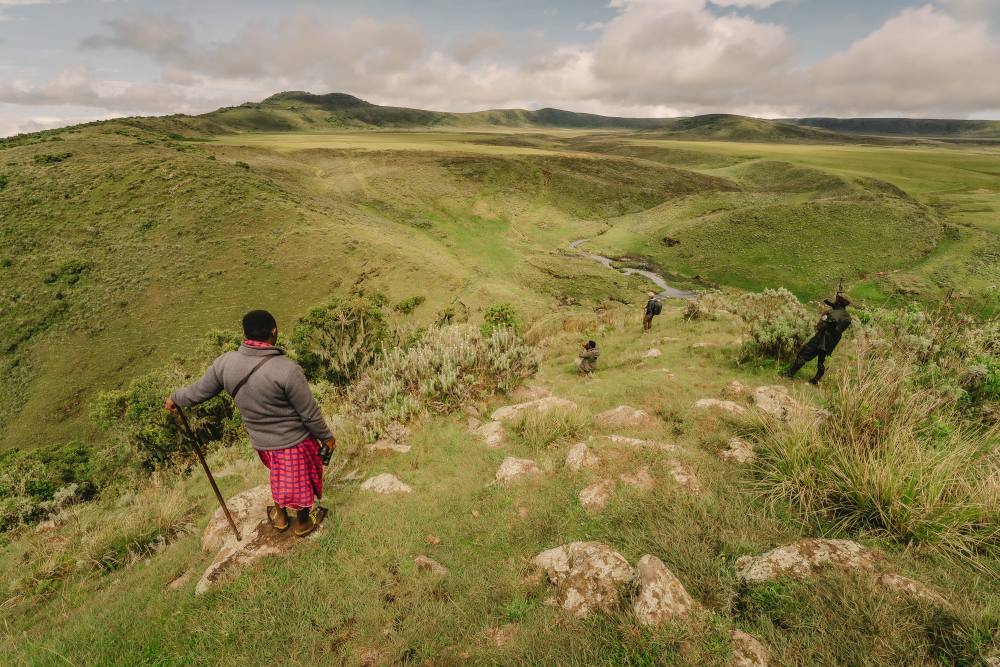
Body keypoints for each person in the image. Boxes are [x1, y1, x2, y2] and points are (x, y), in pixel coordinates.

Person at [165, 310, 336, 537]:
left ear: (246, 335)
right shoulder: (287, 369)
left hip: (262, 443)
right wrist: (327, 437)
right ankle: (303, 524)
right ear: (274, 332)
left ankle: (281, 517)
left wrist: (175, 398)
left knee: (278, 473)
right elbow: (309, 414)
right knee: (300, 479)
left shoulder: (225, 363)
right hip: (293, 441)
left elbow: (198, 392)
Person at [785, 294, 852, 385]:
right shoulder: (847, 317)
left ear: (839, 302)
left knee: (803, 355)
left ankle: (789, 374)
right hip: (831, 343)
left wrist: (823, 316)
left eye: (836, 300)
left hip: (820, 340)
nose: (834, 301)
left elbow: (820, 327)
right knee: (821, 362)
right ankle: (816, 380)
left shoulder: (832, 314)